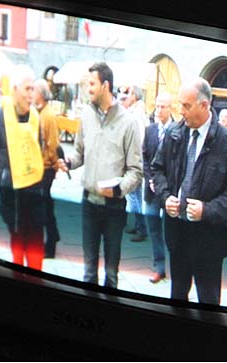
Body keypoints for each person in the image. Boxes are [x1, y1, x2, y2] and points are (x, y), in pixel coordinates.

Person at [151, 77, 227, 304]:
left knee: (208, 302)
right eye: (180, 104)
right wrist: (165, 198)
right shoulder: (174, 133)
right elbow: (157, 169)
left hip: (209, 239)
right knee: (177, 297)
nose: (180, 111)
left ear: (204, 105)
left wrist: (207, 210)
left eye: (186, 106)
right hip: (178, 233)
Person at [57, 62, 143, 288]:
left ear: (106, 85)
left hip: (114, 208)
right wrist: (69, 162)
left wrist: (119, 189)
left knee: (111, 274)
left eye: (92, 84)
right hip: (88, 203)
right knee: (88, 271)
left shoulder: (128, 122)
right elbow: (79, 153)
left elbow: (136, 171)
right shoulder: (86, 114)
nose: (88, 89)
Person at [0, 64, 46, 270]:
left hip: (34, 190)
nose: (31, 95)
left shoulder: (35, 116)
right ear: (14, 90)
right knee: (18, 240)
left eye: (33, 89)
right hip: (12, 193)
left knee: (36, 241)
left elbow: (39, 148)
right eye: (27, 89)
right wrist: (3, 181)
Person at [142, 92, 174, 283]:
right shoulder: (150, 130)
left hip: (169, 192)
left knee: (171, 231)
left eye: (163, 107)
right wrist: (150, 180)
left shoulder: (178, 130)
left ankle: (175, 267)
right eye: (157, 106)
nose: (159, 110)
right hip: (152, 190)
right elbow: (144, 157)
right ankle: (159, 267)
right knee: (153, 228)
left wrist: (166, 184)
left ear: (171, 108)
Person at [33, 78, 61, 259]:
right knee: (45, 205)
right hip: (41, 168)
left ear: (41, 94)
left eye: (34, 91)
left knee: (44, 207)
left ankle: (51, 243)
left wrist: (53, 165)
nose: (32, 94)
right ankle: (52, 238)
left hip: (46, 168)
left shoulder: (48, 115)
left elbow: (52, 144)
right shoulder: (40, 112)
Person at [123, 85, 150, 242]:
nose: (127, 96)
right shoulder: (137, 111)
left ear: (135, 96)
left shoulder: (136, 114)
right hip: (137, 157)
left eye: (129, 93)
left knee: (132, 194)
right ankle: (138, 225)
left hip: (134, 158)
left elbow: (138, 138)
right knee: (136, 194)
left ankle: (141, 227)